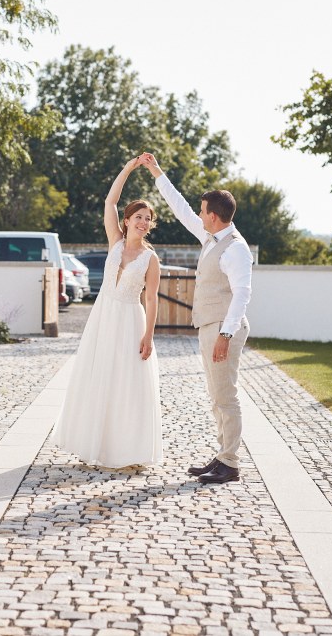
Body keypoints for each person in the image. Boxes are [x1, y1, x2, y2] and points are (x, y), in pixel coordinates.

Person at [138, 152, 252, 485]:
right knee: (217, 395)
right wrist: (157, 172)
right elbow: (181, 209)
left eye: (203, 211)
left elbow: (242, 294)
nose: (199, 215)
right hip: (211, 326)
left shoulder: (235, 248)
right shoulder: (211, 237)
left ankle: (230, 463)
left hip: (224, 328)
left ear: (213, 216)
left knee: (226, 395)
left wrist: (225, 335)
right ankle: (223, 456)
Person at [50, 157, 163, 468]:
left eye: (148, 219)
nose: (143, 222)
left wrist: (148, 335)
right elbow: (110, 201)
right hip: (103, 318)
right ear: (126, 220)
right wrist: (128, 168)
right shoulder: (115, 242)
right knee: (98, 377)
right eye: (138, 217)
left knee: (127, 383)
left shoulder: (151, 259)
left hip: (130, 320)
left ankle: (128, 451)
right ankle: (94, 443)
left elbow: (151, 299)